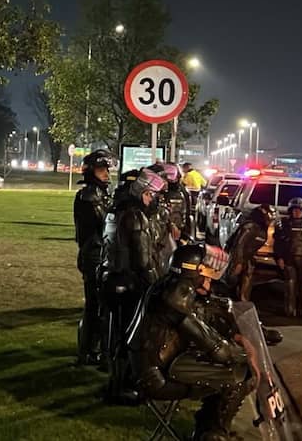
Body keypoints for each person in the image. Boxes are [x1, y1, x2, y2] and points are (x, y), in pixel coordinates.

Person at [127, 243, 254, 440]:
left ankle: (207, 429)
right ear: (195, 270)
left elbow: (203, 324)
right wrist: (242, 354)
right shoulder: (177, 296)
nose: (209, 278)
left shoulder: (168, 285)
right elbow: (214, 346)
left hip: (156, 365)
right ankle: (213, 434)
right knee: (239, 375)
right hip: (156, 378)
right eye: (205, 269)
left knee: (224, 372)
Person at [99, 167, 168, 402]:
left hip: (112, 281)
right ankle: (122, 387)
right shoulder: (136, 216)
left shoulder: (116, 210)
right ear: (145, 194)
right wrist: (158, 286)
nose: (155, 201)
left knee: (116, 335)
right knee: (130, 337)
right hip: (128, 285)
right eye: (154, 196)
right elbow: (143, 259)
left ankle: (116, 384)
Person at [73, 149, 115, 366]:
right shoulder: (89, 196)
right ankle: (89, 350)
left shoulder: (100, 194)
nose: (106, 173)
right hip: (93, 255)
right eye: (101, 170)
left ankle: (93, 348)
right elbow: (105, 224)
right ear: (91, 172)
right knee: (95, 305)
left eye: (106, 169)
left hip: (98, 253)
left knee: (100, 305)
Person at [273, 198, 302, 317]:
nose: (297, 212)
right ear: (290, 211)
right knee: (290, 286)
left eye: (300, 210)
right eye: (294, 210)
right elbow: (278, 243)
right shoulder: (283, 225)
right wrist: (279, 258)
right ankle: (289, 309)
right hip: (289, 260)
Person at [224, 204, 276, 302]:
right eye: (269, 218)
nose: (270, 221)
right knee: (232, 279)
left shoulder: (263, 229)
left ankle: (243, 302)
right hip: (238, 256)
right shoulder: (250, 227)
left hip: (248, 258)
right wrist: (238, 262)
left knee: (247, 280)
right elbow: (239, 244)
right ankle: (227, 300)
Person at [161, 162, 194, 244]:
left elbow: (186, 215)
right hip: (171, 233)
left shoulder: (181, 192)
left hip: (173, 234)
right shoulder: (183, 191)